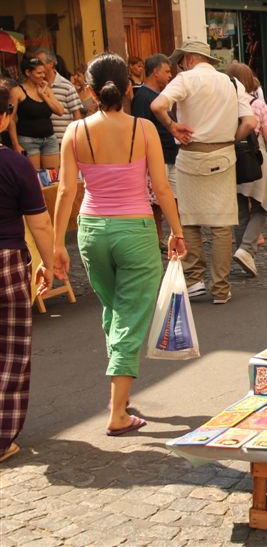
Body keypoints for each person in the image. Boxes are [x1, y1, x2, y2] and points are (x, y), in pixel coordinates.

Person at [52, 53, 187, 436]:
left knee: (114, 310)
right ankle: (117, 413)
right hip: (135, 231)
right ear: (129, 88)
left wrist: (57, 246)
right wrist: (176, 232)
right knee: (129, 316)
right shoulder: (142, 130)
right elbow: (161, 189)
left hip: (91, 231)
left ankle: (121, 396)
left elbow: (65, 190)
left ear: (91, 92)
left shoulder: (74, 132)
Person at [150, 40, 257, 305]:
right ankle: (221, 289)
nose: (179, 65)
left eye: (180, 60)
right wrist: (231, 138)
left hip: (191, 153)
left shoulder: (185, 79)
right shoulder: (232, 82)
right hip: (223, 153)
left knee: (190, 220)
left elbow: (157, 106)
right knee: (221, 224)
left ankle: (194, 280)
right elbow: (250, 122)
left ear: (189, 58)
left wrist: (173, 126)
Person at [0, 81, 57, 463]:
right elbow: (39, 225)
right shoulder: (15, 164)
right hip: (6, 261)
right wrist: (49, 265)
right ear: (5, 117)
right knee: (11, 350)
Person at [225, 63, 267, 278]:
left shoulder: (223, 105)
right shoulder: (257, 105)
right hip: (256, 159)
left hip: (231, 160)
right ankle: (246, 250)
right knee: (262, 207)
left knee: (240, 210)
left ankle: (244, 253)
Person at [130, 54, 178, 242]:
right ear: (155, 72)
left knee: (175, 197)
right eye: (167, 71)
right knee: (156, 200)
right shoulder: (142, 96)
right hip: (157, 155)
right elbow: (141, 128)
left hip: (171, 153)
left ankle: (177, 233)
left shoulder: (159, 96)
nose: (170, 76)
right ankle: (158, 236)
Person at [9, 57, 64, 170]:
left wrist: (44, 95)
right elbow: (10, 119)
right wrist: (15, 144)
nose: (43, 75)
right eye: (39, 73)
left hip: (49, 138)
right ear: (28, 72)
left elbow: (60, 111)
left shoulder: (45, 89)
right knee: (34, 176)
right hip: (28, 140)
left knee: (53, 177)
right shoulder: (17, 91)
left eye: (44, 72)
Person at [34, 49, 82, 144]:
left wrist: (77, 139)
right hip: (43, 140)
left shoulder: (67, 86)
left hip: (64, 140)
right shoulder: (36, 86)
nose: (37, 66)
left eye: (40, 63)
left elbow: (77, 116)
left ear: (51, 64)